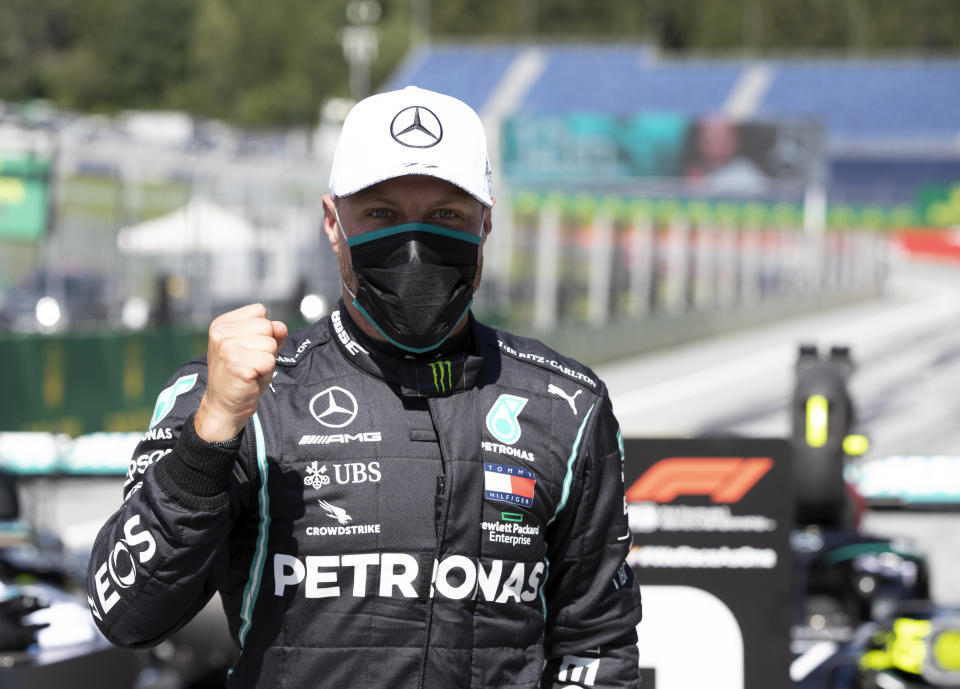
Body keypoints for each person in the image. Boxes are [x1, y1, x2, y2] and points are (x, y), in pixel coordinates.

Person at [87, 85, 642, 689]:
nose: (413, 243)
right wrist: (210, 435)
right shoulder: (244, 394)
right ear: (333, 222)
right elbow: (125, 615)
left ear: (485, 224)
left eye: (445, 216)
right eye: (380, 214)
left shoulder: (566, 404)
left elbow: (596, 646)